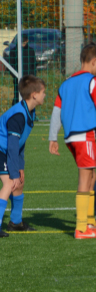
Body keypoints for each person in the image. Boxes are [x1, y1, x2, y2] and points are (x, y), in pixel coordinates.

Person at [49, 44, 96, 240]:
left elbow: (56, 112)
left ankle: (90, 222)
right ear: (94, 61)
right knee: (84, 178)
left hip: (70, 138)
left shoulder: (66, 83)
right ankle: (81, 228)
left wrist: (53, 137)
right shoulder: (93, 81)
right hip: (85, 135)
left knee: (90, 175)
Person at [0, 75, 45, 237]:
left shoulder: (29, 112)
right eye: (43, 92)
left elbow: (20, 143)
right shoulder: (18, 115)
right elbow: (12, 147)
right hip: (1, 150)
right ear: (34, 94)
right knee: (10, 184)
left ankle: (16, 222)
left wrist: (20, 167)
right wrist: (13, 173)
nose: (45, 95)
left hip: (6, 151)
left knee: (18, 183)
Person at [8, 34, 37, 105]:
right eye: (20, 42)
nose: (22, 44)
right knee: (17, 96)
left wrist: (32, 77)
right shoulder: (13, 51)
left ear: (27, 41)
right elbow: (10, 66)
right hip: (17, 79)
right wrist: (15, 76)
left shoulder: (31, 51)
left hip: (29, 79)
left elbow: (34, 65)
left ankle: (28, 112)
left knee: (28, 96)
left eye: (23, 42)